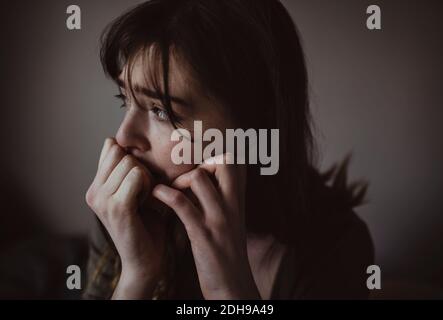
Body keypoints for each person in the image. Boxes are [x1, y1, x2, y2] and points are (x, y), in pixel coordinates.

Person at [83, 0, 374, 300]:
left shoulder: (336, 248)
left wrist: (229, 291)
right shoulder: (126, 210)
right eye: (125, 99)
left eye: (161, 111)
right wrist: (137, 276)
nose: (123, 136)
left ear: (254, 124)